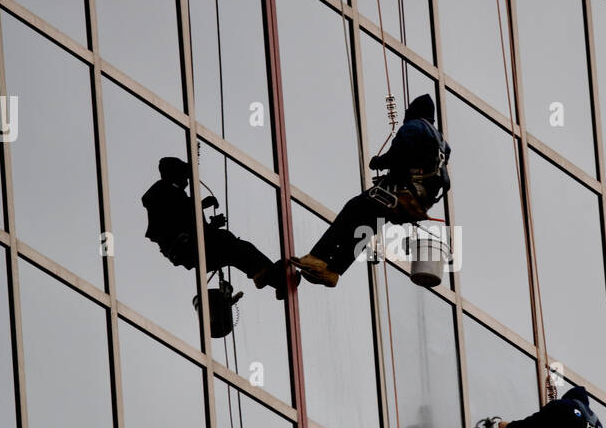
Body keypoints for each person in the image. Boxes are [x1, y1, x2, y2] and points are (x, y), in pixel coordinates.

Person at [292, 94, 450, 287]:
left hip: (401, 191)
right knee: (366, 226)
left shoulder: (414, 127)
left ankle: (318, 257)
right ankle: (333, 271)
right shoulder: (442, 143)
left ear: (414, 111)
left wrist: (378, 162)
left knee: (353, 209)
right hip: (421, 199)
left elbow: (398, 155)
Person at [142, 157, 287, 296]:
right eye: (184, 175)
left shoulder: (175, 195)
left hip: (190, 248)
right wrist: (201, 205)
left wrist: (212, 224)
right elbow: (177, 213)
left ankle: (273, 279)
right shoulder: (162, 191)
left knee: (237, 251)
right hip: (185, 248)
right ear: (174, 173)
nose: (186, 180)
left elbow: (189, 223)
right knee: (235, 246)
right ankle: (272, 275)